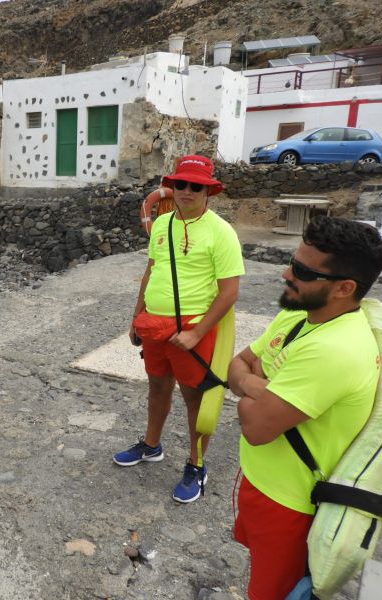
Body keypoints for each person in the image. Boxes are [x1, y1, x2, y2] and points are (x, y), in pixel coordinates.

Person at [228, 216, 382, 600]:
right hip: (262, 482)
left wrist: (251, 383)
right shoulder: (299, 313)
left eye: (301, 270)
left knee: (272, 592)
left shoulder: (335, 350)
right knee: (260, 576)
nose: (285, 273)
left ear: (344, 288)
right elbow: (237, 364)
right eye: (292, 261)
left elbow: (257, 428)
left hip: (292, 505)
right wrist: (256, 384)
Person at [113, 155, 244, 503]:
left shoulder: (221, 232)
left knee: (194, 399)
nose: (186, 191)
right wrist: (135, 317)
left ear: (208, 191)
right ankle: (152, 445)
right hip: (154, 326)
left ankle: (196, 465)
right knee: (157, 387)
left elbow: (230, 292)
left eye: (195, 186)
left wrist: (197, 334)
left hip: (191, 329)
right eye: (181, 184)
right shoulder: (162, 224)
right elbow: (151, 272)